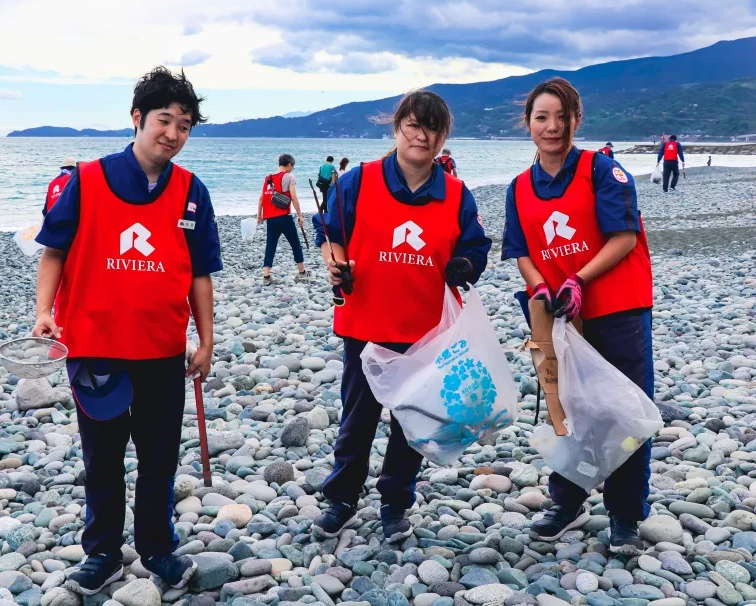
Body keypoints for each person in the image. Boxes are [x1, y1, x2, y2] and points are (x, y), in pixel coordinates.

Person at [32, 67, 222, 593]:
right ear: (137, 118)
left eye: (185, 125)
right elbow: (54, 251)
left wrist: (206, 341)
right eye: (165, 120)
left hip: (161, 349)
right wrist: (44, 311)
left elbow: (201, 274)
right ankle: (103, 553)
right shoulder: (85, 180)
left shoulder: (190, 192)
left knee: (159, 458)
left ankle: (158, 549)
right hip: (96, 351)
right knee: (103, 457)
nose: (174, 134)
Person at [311, 90, 491, 542]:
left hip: (425, 331)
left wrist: (465, 266)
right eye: (413, 125)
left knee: (412, 424)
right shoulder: (357, 181)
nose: (421, 135)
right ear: (397, 128)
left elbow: (476, 248)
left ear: (443, 137)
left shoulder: (453, 193)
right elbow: (330, 232)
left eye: (432, 128)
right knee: (357, 419)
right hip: (365, 326)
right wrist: (334, 263)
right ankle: (342, 499)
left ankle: (395, 503)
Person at [502, 77, 654, 555]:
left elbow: (623, 237)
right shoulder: (520, 187)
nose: (552, 126)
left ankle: (625, 514)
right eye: (541, 117)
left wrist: (578, 278)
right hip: (561, 317)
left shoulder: (602, 170)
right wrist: (541, 284)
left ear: (576, 120)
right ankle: (565, 500)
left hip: (616, 308)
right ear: (527, 124)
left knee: (624, 409)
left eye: (561, 117)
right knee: (566, 408)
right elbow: (521, 250)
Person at [257, 154, 310, 285]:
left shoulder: (268, 178)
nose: (293, 169)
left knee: (270, 245)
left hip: (270, 218)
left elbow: (261, 198)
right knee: (295, 243)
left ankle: (266, 276)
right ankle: (302, 273)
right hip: (284, 217)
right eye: (293, 166)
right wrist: (300, 215)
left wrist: (259, 215)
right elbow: (293, 197)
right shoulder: (289, 176)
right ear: (289, 164)